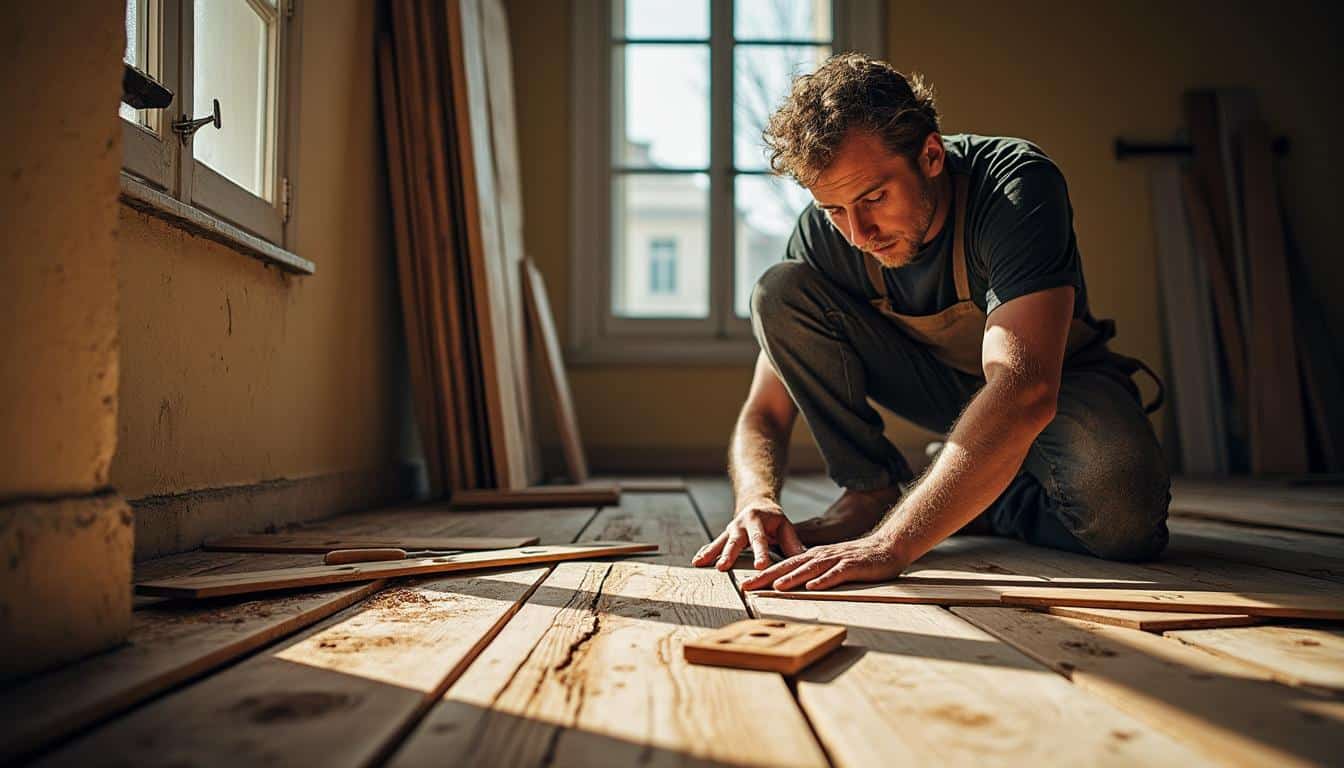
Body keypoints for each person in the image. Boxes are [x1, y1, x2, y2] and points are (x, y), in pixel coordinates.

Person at [690, 54, 1169, 592]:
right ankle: (872, 491)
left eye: (874, 198)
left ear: (932, 155)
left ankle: (985, 496)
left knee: (1125, 521)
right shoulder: (828, 238)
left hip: (1056, 381)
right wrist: (755, 498)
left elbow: (1025, 387)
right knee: (777, 289)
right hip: (941, 389)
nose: (859, 232)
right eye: (834, 210)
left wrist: (892, 543)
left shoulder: (1013, 186)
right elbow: (765, 410)